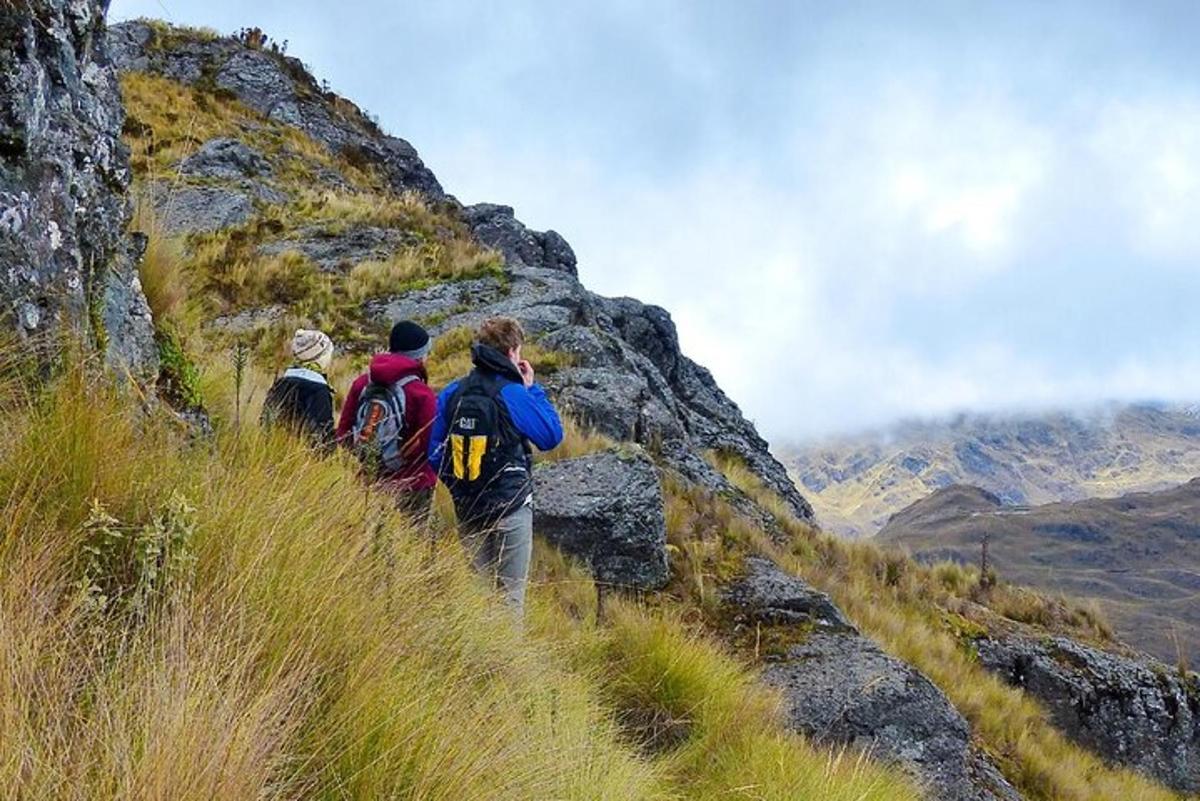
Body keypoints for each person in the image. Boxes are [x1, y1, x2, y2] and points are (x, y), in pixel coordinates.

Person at [429, 317, 563, 616]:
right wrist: (532, 389)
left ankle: (473, 658)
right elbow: (551, 436)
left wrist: (457, 485)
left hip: (468, 508)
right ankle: (504, 664)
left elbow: (433, 451)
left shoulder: (454, 392)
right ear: (512, 351)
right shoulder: (513, 393)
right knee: (509, 599)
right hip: (511, 506)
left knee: (478, 598)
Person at [336, 320, 438, 517]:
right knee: (413, 544)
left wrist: (369, 458)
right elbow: (429, 447)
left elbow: (343, 433)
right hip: (414, 485)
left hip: (369, 482)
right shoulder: (422, 394)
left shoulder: (362, 384)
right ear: (419, 356)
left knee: (370, 540)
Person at [261, 328, 336, 448]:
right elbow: (323, 434)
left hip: (270, 450)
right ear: (320, 357)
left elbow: (266, 421)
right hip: (304, 460)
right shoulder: (318, 390)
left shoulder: (281, 383)